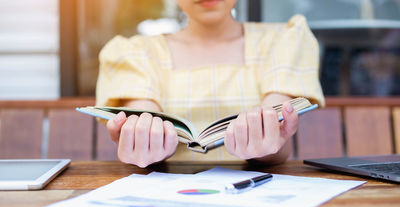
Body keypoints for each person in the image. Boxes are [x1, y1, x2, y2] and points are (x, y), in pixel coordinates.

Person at [96, 0, 325, 168]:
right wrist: (142, 138)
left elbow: (277, 138)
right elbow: (147, 120)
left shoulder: (283, 41)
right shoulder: (137, 52)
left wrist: (269, 142)